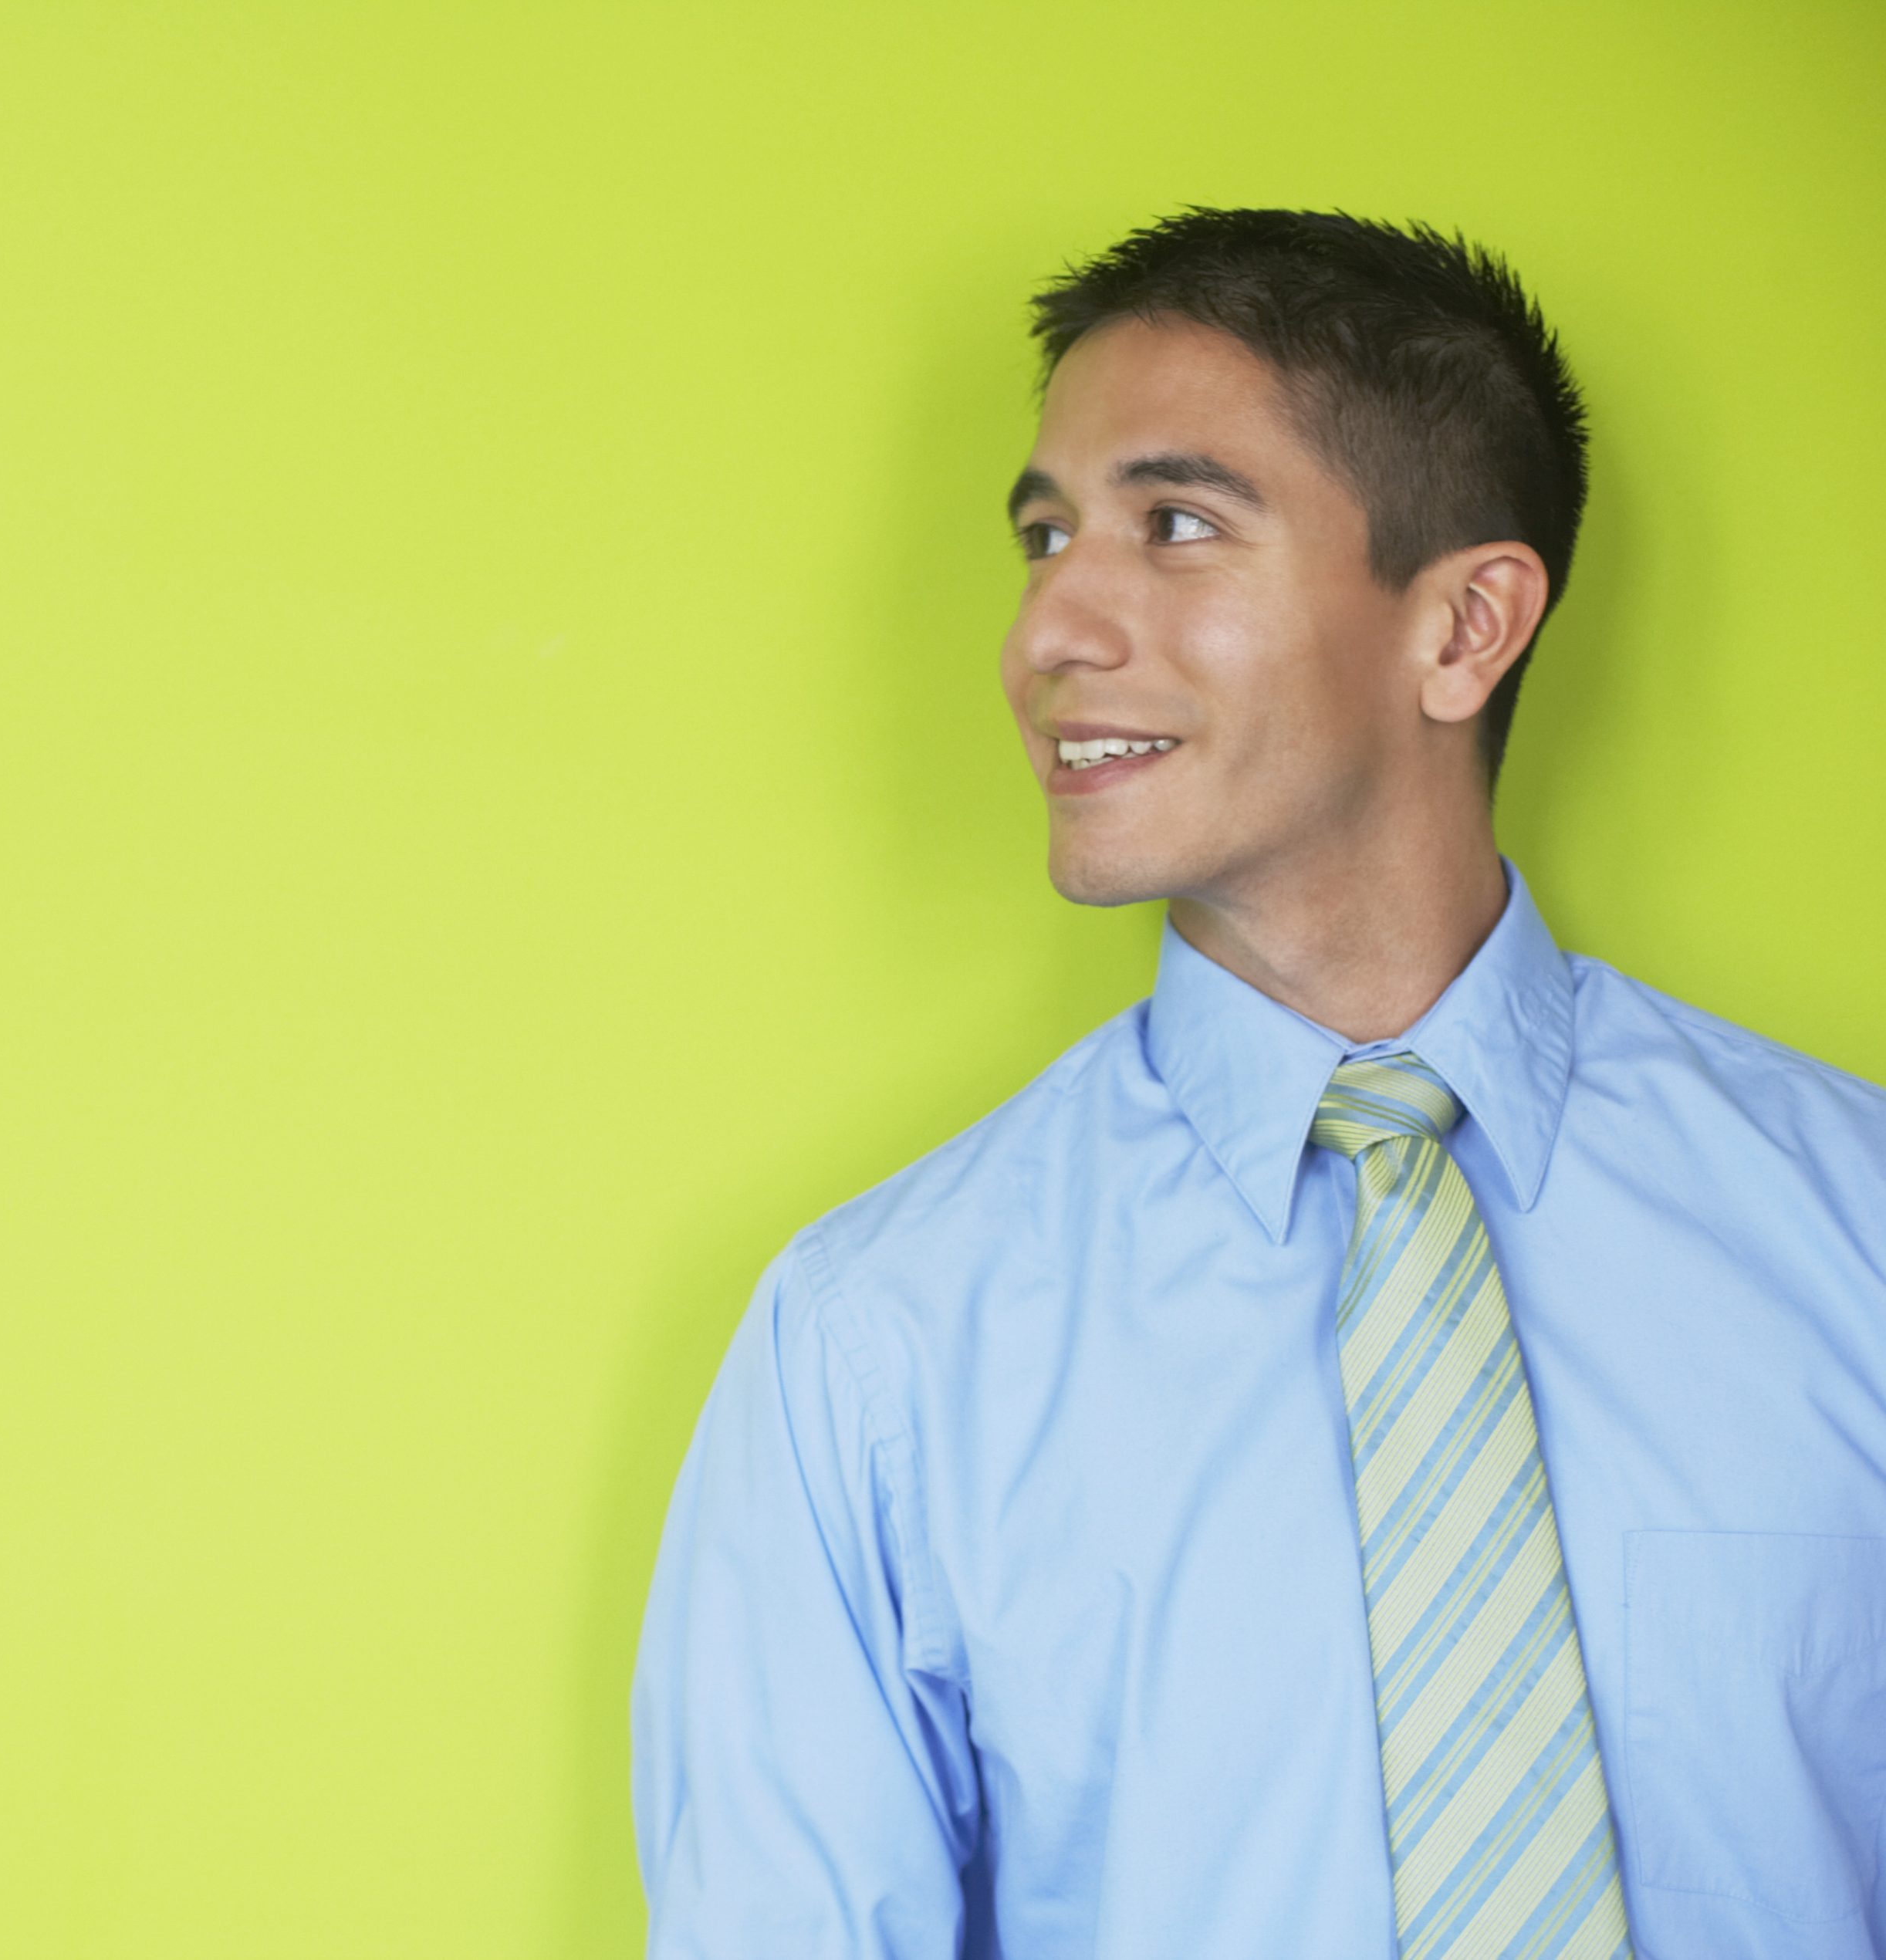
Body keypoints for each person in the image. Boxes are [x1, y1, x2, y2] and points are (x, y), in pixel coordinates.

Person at [627, 208, 1886, 1959]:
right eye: (1043, 536)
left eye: (1176, 525)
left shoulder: (1852, 1230)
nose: (1047, 626)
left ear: (1463, 627)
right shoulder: (878, 1343)